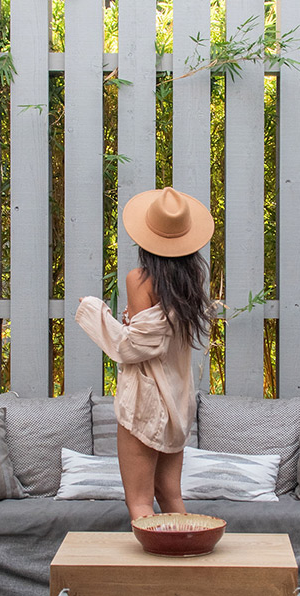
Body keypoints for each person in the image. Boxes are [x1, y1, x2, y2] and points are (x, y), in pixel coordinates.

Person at [75, 186, 213, 521]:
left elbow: (132, 347)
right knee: (170, 495)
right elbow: (155, 336)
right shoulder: (190, 284)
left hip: (146, 402)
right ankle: (187, 563)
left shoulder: (139, 278)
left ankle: (153, 572)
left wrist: (94, 312)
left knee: (139, 502)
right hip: (178, 402)